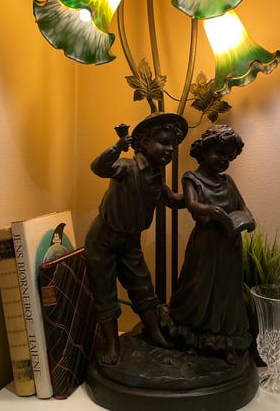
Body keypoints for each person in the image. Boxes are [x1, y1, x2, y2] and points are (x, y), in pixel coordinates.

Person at [84, 112, 188, 365]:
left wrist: (197, 188)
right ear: (144, 143)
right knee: (105, 291)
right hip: (103, 239)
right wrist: (118, 146)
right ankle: (112, 342)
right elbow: (98, 167)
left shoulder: (156, 178)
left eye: (173, 145)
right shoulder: (127, 167)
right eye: (164, 142)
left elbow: (174, 200)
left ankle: (154, 332)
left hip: (130, 241)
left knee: (142, 285)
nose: (170, 150)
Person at [166, 124, 256, 364]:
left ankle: (227, 341)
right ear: (204, 150)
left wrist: (248, 218)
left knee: (227, 291)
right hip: (206, 243)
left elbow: (242, 206)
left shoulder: (228, 181)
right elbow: (191, 204)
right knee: (200, 286)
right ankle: (192, 336)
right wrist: (211, 211)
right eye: (219, 153)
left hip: (229, 244)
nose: (224, 160)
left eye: (229, 157)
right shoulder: (192, 178)